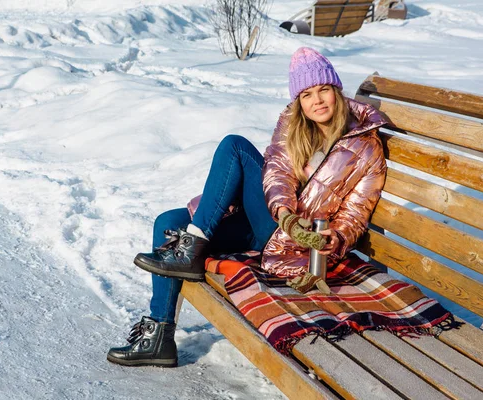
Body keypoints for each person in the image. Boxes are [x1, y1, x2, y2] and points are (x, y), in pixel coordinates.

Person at [107, 47, 386, 367]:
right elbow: (277, 172)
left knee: (235, 146)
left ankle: (191, 248)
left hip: (300, 240)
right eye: (307, 94)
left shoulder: (365, 147)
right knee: (168, 222)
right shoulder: (294, 125)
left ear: (336, 91)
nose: (317, 101)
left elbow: (355, 215)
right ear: (299, 101)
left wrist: (327, 241)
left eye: (323, 90)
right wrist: (284, 213)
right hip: (274, 221)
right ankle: (160, 337)